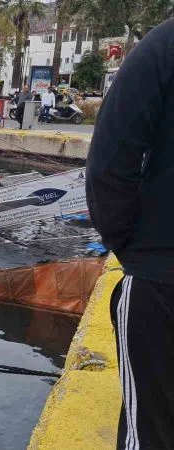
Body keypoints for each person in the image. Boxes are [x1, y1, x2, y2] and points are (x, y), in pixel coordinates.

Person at [85, 18, 174, 450]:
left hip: (162, 279)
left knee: (150, 433)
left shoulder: (161, 49)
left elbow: (108, 165)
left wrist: (126, 245)